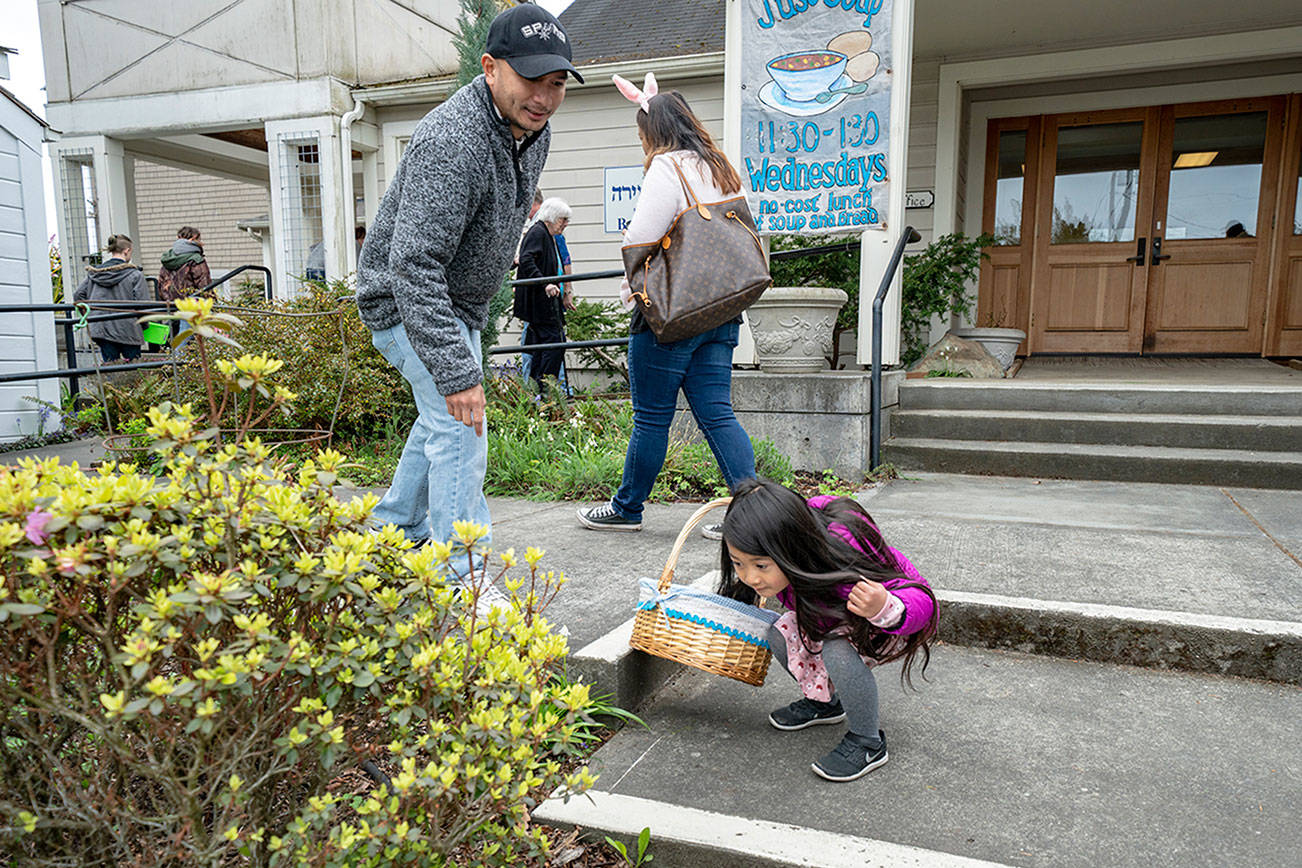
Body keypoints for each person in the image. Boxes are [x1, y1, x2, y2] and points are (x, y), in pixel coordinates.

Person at [355, 3, 581, 562]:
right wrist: (457, 372)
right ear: (490, 67)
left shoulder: (533, 131)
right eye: (531, 79)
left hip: (457, 305)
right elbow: (414, 265)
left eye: (556, 84)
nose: (543, 97)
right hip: (405, 300)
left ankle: (391, 529)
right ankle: (461, 578)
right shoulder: (453, 141)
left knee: (442, 421)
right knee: (462, 427)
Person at [577, 80, 755, 536]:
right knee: (717, 413)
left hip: (672, 315)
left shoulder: (666, 167)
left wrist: (629, 285)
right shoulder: (721, 166)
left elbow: (641, 237)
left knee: (652, 417)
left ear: (651, 131)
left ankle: (627, 508)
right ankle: (752, 514)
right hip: (721, 310)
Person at [717, 479, 939, 782]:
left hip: (890, 620)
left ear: (791, 549)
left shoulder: (844, 556)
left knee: (837, 650)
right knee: (778, 633)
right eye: (738, 564)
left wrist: (884, 606)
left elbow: (924, 602)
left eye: (761, 566)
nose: (750, 577)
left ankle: (868, 742)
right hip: (834, 617)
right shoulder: (795, 552)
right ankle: (825, 704)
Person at [515, 197, 575, 390]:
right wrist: (545, 283)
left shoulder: (547, 234)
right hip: (540, 302)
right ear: (552, 217)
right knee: (554, 342)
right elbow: (526, 260)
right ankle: (544, 387)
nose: (565, 224)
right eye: (563, 219)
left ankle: (539, 388)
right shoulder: (538, 233)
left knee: (544, 345)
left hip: (545, 302)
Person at [74, 234, 147, 363]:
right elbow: (143, 303)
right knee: (134, 369)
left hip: (101, 327)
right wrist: (145, 325)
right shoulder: (135, 274)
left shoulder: (95, 273)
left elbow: (78, 295)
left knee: (110, 368)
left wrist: (90, 315)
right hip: (128, 328)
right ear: (127, 250)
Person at [157, 226, 211, 302]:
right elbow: (205, 287)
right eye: (199, 239)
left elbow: (161, 287)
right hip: (191, 306)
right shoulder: (196, 260)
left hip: (170, 306)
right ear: (193, 239)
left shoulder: (168, 258)